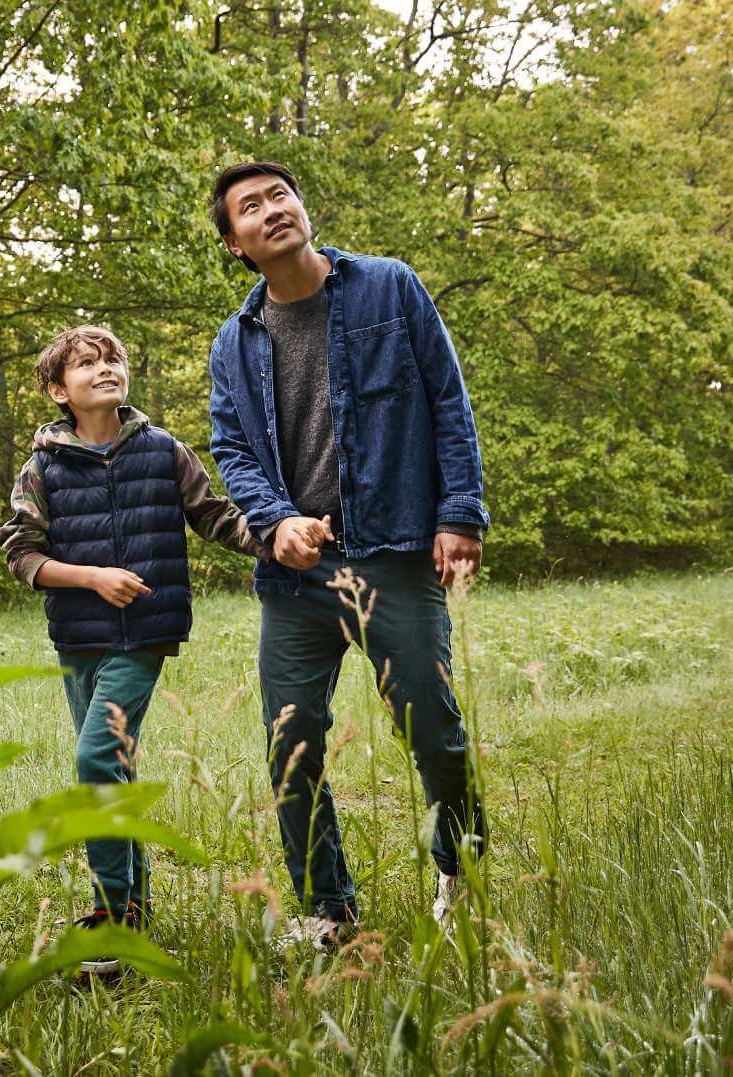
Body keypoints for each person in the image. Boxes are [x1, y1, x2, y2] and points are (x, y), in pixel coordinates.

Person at [205, 161, 489, 947]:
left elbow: (447, 398)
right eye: (249, 208)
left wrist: (460, 512)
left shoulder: (390, 288)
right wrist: (274, 520)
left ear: (302, 208)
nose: (271, 211)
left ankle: (460, 872)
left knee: (433, 726)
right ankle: (328, 909)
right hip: (295, 577)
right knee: (291, 743)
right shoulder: (233, 343)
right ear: (236, 244)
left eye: (279, 196)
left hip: (395, 547)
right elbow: (232, 447)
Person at [0, 324, 258, 976]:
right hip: (79, 634)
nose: (105, 368)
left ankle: (112, 920)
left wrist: (278, 537)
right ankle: (135, 911)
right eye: (87, 363)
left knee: (94, 757)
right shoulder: (43, 467)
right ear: (60, 388)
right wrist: (91, 578)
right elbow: (19, 552)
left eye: (113, 357)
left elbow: (216, 516)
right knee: (112, 769)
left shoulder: (165, 450)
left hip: (144, 631)